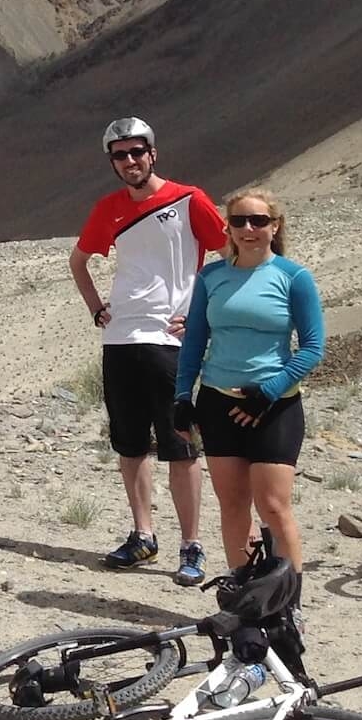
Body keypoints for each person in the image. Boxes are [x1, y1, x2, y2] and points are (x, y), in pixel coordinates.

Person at [70, 117, 227, 583]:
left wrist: (205, 315)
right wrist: (97, 309)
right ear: (112, 161)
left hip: (170, 342)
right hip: (120, 340)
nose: (131, 161)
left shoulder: (189, 199)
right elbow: (79, 261)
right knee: (130, 445)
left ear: (152, 153)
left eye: (138, 152)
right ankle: (144, 535)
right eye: (120, 155)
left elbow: (230, 257)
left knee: (181, 447)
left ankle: (191, 545)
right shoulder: (108, 208)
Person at [174, 189, 322, 585]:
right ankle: (244, 594)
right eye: (239, 221)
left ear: (275, 226)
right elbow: (193, 343)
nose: (248, 229)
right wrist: (182, 396)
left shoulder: (294, 278)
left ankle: (289, 604)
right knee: (233, 505)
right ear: (228, 228)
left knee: (273, 506)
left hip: (275, 407)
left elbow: (312, 348)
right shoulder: (211, 277)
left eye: (258, 221)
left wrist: (268, 391)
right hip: (217, 403)